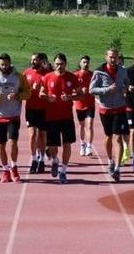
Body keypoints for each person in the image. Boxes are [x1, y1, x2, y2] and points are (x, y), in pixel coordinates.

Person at [0, 53, 30, 183]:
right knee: (1, 144)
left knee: (13, 142)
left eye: (6, 64)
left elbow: (28, 92)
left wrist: (17, 96)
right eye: (2, 64)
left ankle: (14, 167)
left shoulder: (18, 77)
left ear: (10, 63)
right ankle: (5, 170)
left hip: (13, 115)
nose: (4, 66)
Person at [88, 47, 130, 182]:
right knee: (108, 136)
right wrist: (107, 89)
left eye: (115, 57)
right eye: (111, 57)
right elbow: (91, 89)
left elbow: (127, 85)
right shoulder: (99, 72)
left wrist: (126, 89)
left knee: (118, 138)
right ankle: (110, 161)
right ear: (106, 57)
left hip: (120, 108)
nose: (113, 59)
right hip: (105, 109)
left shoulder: (123, 71)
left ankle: (117, 169)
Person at [40, 53, 80, 184]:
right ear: (54, 64)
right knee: (52, 145)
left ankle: (64, 170)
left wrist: (70, 98)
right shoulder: (47, 77)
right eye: (57, 64)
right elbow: (41, 93)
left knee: (67, 143)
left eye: (61, 64)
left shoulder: (71, 77)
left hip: (67, 117)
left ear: (65, 64)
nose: (59, 66)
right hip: (51, 117)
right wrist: (47, 98)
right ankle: (55, 160)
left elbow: (80, 94)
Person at [23, 53, 49, 174]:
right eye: (32, 59)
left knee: (42, 135)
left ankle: (42, 160)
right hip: (30, 109)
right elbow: (20, 89)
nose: (33, 61)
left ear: (41, 61)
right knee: (33, 134)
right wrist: (29, 89)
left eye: (36, 60)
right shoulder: (26, 73)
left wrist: (40, 90)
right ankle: (34, 159)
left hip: (43, 108)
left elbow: (51, 90)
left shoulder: (47, 74)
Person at [73, 55, 95, 156]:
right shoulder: (76, 75)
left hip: (90, 104)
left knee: (89, 125)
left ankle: (89, 146)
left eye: (87, 62)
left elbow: (96, 87)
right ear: (80, 63)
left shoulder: (93, 74)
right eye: (84, 62)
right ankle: (82, 144)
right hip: (79, 104)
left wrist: (92, 91)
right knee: (82, 125)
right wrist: (80, 91)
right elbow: (71, 90)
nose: (86, 64)